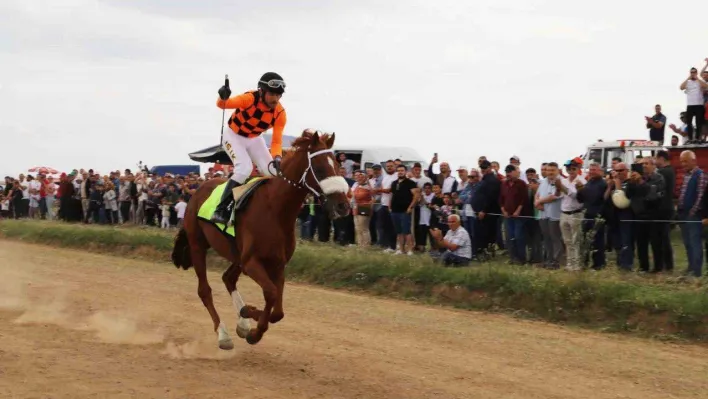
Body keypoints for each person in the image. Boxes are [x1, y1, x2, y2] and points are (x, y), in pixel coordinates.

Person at [211, 72, 288, 224]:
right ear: (262, 91)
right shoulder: (249, 98)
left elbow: (276, 141)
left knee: (273, 172)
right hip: (233, 135)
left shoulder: (280, 113)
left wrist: (277, 157)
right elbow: (222, 105)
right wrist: (223, 96)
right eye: (272, 94)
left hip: (254, 139)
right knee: (244, 169)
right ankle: (220, 210)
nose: (276, 99)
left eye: (279, 95)